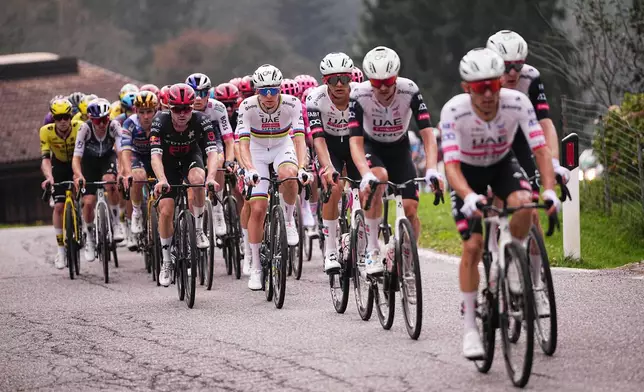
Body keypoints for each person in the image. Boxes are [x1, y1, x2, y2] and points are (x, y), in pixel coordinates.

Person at [440, 47, 561, 359]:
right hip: (467, 171)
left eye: (494, 85)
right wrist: (467, 196)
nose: (489, 94)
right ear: (467, 88)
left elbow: (541, 150)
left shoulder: (517, 102)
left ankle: (511, 263)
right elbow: (450, 166)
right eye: (481, 88)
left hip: (502, 163)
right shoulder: (454, 111)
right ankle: (470, 328)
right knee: (472, 245)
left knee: (524, 204)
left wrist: (548, 191)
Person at [486, 30, 570, 316]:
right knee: (496, 203)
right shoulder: (481, 75)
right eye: (506, 66)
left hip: (522, 140)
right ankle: (495, 261)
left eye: (517, 65)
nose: (512, 72)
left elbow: (545, 123)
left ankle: (535, 287)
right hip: (490, 141)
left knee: (531, 212)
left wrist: (555, 162)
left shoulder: (531, 78)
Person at [349, 46, 443, 275]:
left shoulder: (409, 90)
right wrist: (365, 173)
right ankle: (372, 248)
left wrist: (432, 169)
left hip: (400, 149)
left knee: (411, 209)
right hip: (373, 147)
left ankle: (405, 254)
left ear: (397, 77)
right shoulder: (359, 94)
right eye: (376, 82)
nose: (382, 87)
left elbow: (428, 134)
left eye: (388, 81)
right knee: (379, 178)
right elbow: (355, 142)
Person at [236, 64, 311, 290]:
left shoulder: (292, 104)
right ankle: (256, 266)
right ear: (256, 91)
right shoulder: (246, 106)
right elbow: (243, 143)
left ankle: (288, 220)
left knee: (289, 175)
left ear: (280, 89)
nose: (269, 96)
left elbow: (299, 139)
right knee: (258, 208)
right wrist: (249, 169)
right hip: (256, 151)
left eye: (273, 90)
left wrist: (302, 167)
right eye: (263, 91)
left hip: (281, 145)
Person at [149, 83, 222, 287]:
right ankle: (166, 262)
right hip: (168, 164)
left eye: (187, 109)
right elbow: (155, 156)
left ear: (192, 107)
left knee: (198, 180)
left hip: (191, 157)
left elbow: (212, 152)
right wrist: (162, 179)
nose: (182, 114)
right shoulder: (159, 121)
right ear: (169, 108)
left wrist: (211, 178)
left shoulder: (202, 120)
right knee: (166, 211)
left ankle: (198, 229)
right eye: (177, 109)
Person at [307, 52, 361, 272]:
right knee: (335, 186)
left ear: (352, 78)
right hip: (330, 145)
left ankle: (365, 233)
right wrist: (327, 168)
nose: (340, 84)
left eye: (345, 79)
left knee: (366, 188)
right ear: (324, 81)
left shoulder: (362, 95)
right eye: (333, 80)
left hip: (355, 142)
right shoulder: (315, 98)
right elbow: (318, 139)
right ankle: (330, 251)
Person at [72, 99, 126, 262]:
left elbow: (122, 152)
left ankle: (116, 223)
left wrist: (122, 172)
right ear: (90, 118)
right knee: (88, 202)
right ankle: (89, 238)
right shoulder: (84, 128)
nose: (102, 124)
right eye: (97, 120)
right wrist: (79, 175)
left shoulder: (114, 126)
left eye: (105, 119)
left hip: (106, 159)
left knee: (110, 181)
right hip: (89, 162)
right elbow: (76, 158)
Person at [186, 72, 233, 236]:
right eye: (194, 93)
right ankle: (194, 227)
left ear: (208, 94)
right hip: (192, 144)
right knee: (193, 187)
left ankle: (218, 208)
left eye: (202, 94)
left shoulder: (218, 108)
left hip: (213, 141)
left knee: (219, 161)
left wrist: (230, 161)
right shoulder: (183, 110)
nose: (198, 99)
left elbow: (228, 140)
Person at [39, 98, 84, 269]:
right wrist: (49, 177)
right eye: (58, 118)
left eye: (66, 117)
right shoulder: (46, 131)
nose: (63, 121)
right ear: (53, 118)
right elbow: (45, 158)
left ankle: (87, 229)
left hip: (78, 163)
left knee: (88, 199)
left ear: (71, 115)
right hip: (59, 166)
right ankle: (61, 250)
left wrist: (79, 174)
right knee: (59, 206)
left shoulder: (80, 126)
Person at [120, 91, 159, 240]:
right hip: (138, 155)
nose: (146, 116)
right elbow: (125, 151)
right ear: (136, 111)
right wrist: (127, 172)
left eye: (149, 111)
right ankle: (136, 210)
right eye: (142, 112)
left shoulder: (162, 120)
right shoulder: (129, 123)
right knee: (138, 176)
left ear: (155, 110)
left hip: (157, 154)